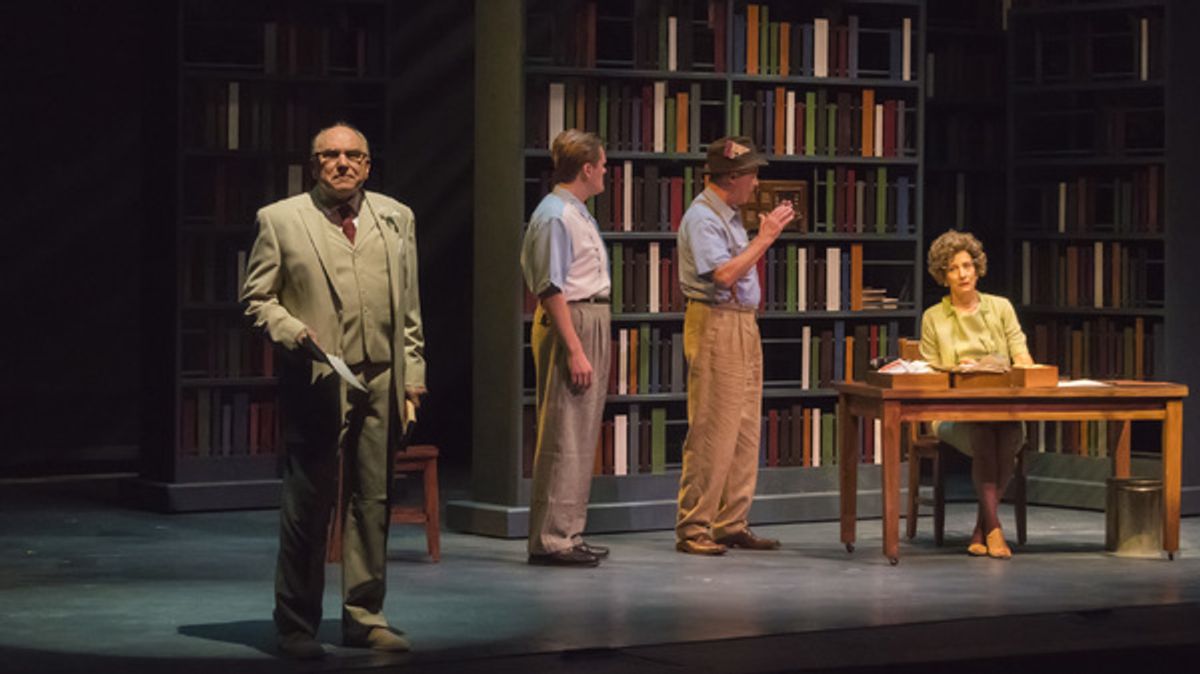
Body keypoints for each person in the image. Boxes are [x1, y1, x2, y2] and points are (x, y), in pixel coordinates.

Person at [241, 122, 426, 658]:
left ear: (368, 165)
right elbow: (256, 299)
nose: (343, 163)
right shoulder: (280, 220)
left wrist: (413, 376)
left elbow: (409, 308)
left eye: (354, 156)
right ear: (314, 162)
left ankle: (365, 615)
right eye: (331, 155)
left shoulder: (396, 217)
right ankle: (296, 624)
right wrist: (293, 331)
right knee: (309, 504)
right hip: (320, 377)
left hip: (383, 377)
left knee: (373, 502)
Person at [674, 136, 795, 555]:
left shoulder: (726, 214)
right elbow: (722, 275)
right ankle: (694, 527)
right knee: (712, 428)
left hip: (742, 323)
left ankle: (730, 521)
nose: (757, 182)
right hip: (716, 324)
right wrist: (764, 239)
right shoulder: (703, 217)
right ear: (731, 177)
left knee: (744, 428)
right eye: (752, 174)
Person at [520, 129, 612, 568]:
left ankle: (568, 533)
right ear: (588, 168)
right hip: (571, 319)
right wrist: (574, 348)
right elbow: (550, 287)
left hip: (589, 316)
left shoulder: (575, 211)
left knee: (580, 431)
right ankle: (551, 540)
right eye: (604, 165)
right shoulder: (555, 214)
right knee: (563, 431)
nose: (607, 172)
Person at [919, 229, 1032, 560]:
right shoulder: (933, 317)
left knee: (1010, 432)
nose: (962, 274)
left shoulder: (1001, 308)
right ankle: (995, 528)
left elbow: (1023, 357)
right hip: (952, 414)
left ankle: (982, 528)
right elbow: (928, 373)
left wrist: (999, 364)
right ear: (944, 275)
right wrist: (959, 370)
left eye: (967, 265)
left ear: (977, 267)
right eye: (953, 268)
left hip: (1003, 410)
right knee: (984, 433)